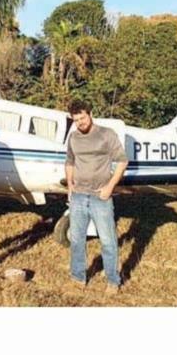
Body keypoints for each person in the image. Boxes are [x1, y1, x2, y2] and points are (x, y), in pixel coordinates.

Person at [65, 99, 128, 294]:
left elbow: (122, 161)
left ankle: (112, 280)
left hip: (100, 197)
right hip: (78, 196)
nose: (80, 123)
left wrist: (110, 186)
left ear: (90, 114)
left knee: (108, 240)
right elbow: (69, 162)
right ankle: (78, 277)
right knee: (76, 240)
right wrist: (70, 185)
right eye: (76, 120)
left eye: (82, 118)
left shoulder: (106, 135)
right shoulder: (74, 138)